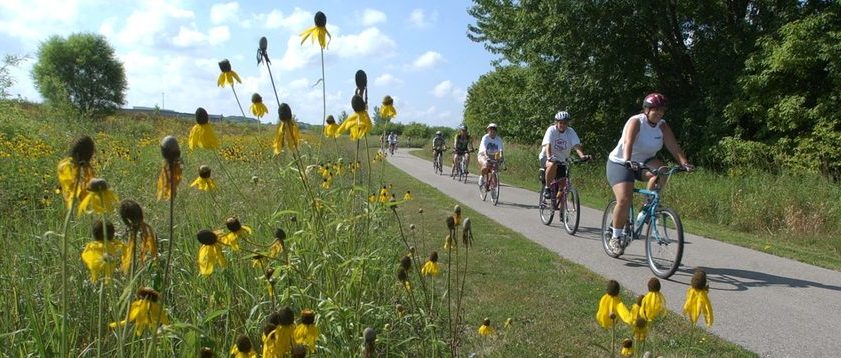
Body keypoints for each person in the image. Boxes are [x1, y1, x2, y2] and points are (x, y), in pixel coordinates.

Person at [605, 92, 692, 256]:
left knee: (663, 171)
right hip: (621, 162)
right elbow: (628, 142)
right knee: (624, 199)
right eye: (655, 110)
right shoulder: (636, 121)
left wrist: (684, 163)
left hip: (644, 161)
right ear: (646, 110)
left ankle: (645, 208)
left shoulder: (662, 125)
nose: (659, 114)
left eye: (661, 111)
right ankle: (615, 237)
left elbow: (673, 146)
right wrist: (628, 160)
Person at [539, 111, 591, 198]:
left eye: (565, 123)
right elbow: (548, 144)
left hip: (562, 159)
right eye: (560, 122)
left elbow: (576, 145)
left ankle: (560, 208)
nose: (562, 125)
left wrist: (582, 156)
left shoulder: (570, 132)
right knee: (552, 165)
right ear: (556, 122)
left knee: (563, 185)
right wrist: (549, 157)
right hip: (546, 157)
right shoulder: (551, 130)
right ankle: (547, 188)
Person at [478, 123, 504, 188]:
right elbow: (483, 148)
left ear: (496, 131)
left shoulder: (498, 139)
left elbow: (500, 149)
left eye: (494, 129)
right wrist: (486, 156)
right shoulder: (485, 137)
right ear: (488, 130)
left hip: (494, 156)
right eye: (490, 129)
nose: (492, 131)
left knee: (494, 171)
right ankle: (481, 177)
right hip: (483, 155)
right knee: (485, 165)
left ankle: (494, 191)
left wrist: (501, 157)